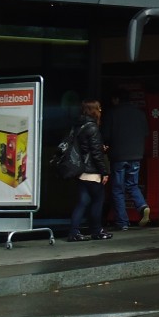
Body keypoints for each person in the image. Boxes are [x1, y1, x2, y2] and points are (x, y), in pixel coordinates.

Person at [104, 90, 151, 229]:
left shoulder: (112, 113)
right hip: (136, 155)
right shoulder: (139, 114)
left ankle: (122, 222)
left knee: (118, 189)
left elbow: (106, 136)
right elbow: (146, 133)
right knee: (132, 185)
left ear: (116, 99)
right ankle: (142, 206)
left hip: (118, 156)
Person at [68, 99, 111, 242]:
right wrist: (104, 172)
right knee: (98, 201)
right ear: (93, 110)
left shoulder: (78, 126)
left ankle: (73, 232)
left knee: (82, 202)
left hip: (80, 171)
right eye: (99, 108)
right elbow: (96, 154)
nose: (101, 110)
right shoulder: (92, 128)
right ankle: (97, 230)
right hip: (92, 172)